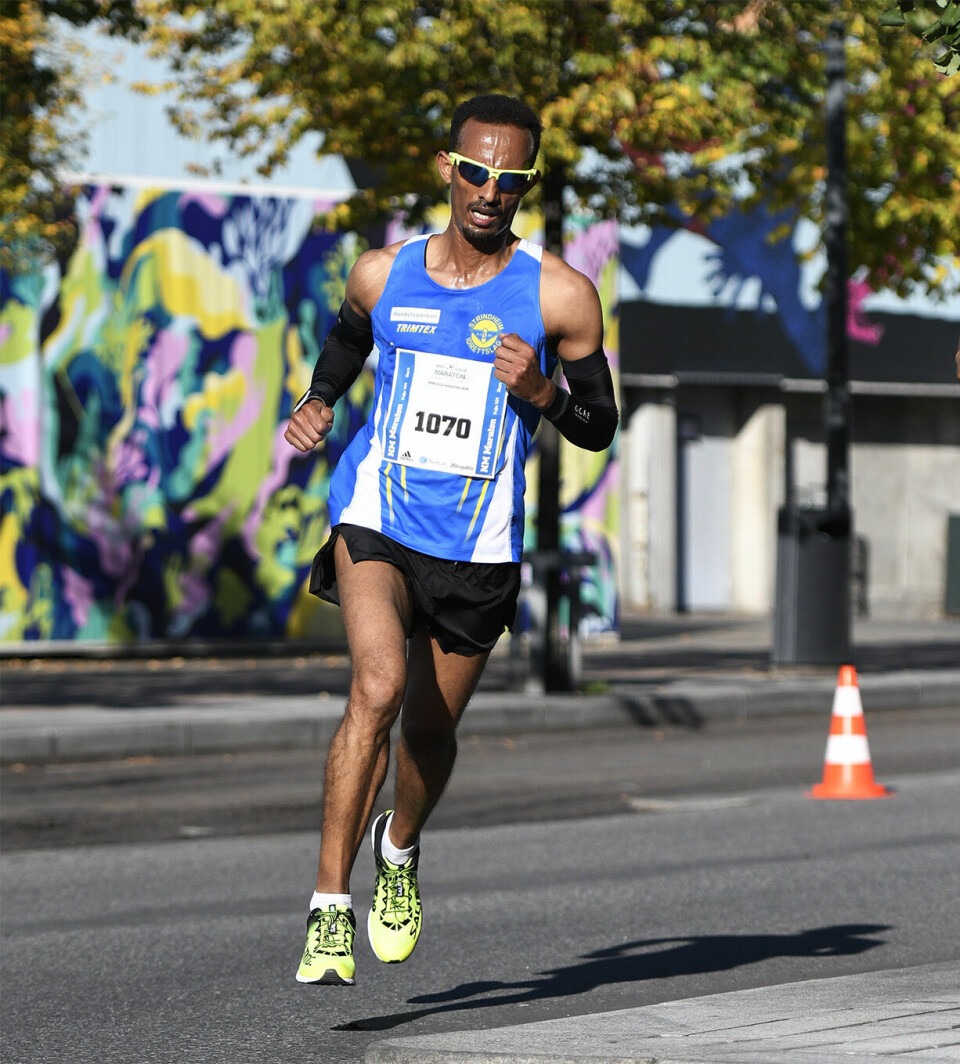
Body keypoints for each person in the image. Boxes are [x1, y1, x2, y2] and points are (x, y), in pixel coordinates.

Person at [283, 93, 618, 986]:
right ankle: (328, 906)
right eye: (475, 171)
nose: (488, 191)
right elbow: (345, 343)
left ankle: (399, 847)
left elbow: (599, 425)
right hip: (378, 516)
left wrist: (543, 394)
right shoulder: (382, 273)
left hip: (478, 546)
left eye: (510, 179)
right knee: (379, 687)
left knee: (430, 734)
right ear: (448, 168)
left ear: (528, 186)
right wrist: (318, 400)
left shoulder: (559, 294)